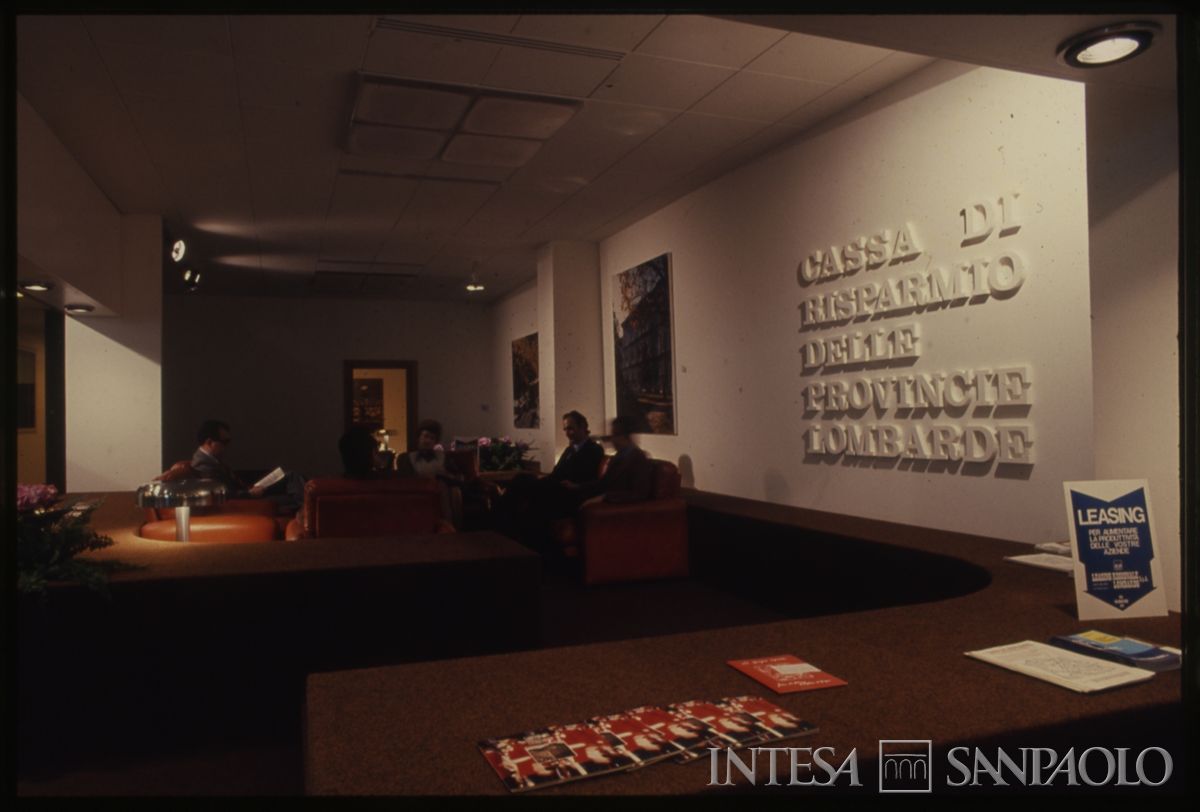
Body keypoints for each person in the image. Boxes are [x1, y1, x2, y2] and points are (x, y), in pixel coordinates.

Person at [492, 411, 605, 541]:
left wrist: (571, 484)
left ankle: (498, 522)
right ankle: (503, 525)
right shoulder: (570, 450)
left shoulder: (594, 450)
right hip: (556, 487)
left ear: (583, 427)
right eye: (565, 430)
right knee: (522, 480)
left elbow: (583, 476)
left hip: (570, 493)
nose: (567, 433)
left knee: (522, 484)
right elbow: (556, 473)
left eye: (570, 429)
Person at [190, 419, 305, 511]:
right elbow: (223, 495)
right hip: (244, 502)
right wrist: (249, 493)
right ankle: (305, 507)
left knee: (290, 476)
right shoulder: (202, 465)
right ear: (209, 442)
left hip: (245, 492)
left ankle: (305, 504)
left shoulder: (211, 460)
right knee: (292, 499)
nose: (227, 447)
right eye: (225, 442)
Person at [566, 416, 654, 505]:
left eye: (615, 435)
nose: (612, 440)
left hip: (617, 508)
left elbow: (639, 494)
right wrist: (577, 486)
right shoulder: (619, 456)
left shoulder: (638, 458)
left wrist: (605, 497)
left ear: (626, 436)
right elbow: (603, 483)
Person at [395, 419, 464, 527]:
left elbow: (457, 477)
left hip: (441, 495)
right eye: (425, 436)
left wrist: (444, 477)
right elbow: (405, 482)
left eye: (432, 438)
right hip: (419, 495)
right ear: (419, 438)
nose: (427, 441)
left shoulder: (443, 457)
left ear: (435, 442)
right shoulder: (407, 458)